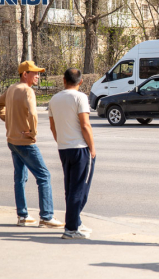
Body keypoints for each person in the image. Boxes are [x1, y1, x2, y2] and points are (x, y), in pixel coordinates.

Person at [0, 61, 64, 228]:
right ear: (25, 74)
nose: (38, 76)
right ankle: (46, 217)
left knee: (20, 178)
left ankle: (23, 216)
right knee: (44, 176)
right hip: (25, 142)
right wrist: (33, 132)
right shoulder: (28, 90)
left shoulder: (11, 88)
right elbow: (33, 113)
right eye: (35, 73)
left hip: (12, 140)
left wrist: (8, 120)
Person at [49, 68, 96, 239]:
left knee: (70, 188)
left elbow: (53, 127)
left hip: (64, 148)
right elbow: (85, 125)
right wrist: (92, 147)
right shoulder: (80, 97)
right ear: (81, 82)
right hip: (79, 148)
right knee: (79, 188)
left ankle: (76, 221)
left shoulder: (54, 99)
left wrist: (61, 141)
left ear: (63, 80)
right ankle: (70, 229)